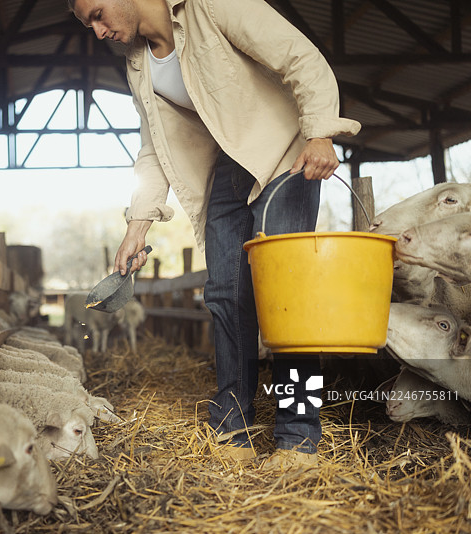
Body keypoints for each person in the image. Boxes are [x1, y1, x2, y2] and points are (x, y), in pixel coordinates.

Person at [69, 0, 360, 468]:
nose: (98, 31)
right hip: (226, 168)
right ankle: (233, 430)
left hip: (285, 153)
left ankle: (299, 437)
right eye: (89, 25)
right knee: (225, 293)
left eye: (98, 14)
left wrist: (321, 131)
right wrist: (136, 227)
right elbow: (153, 151)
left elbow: (298, 56)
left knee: (287, 294)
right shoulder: (138, 63)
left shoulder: (209, 5)